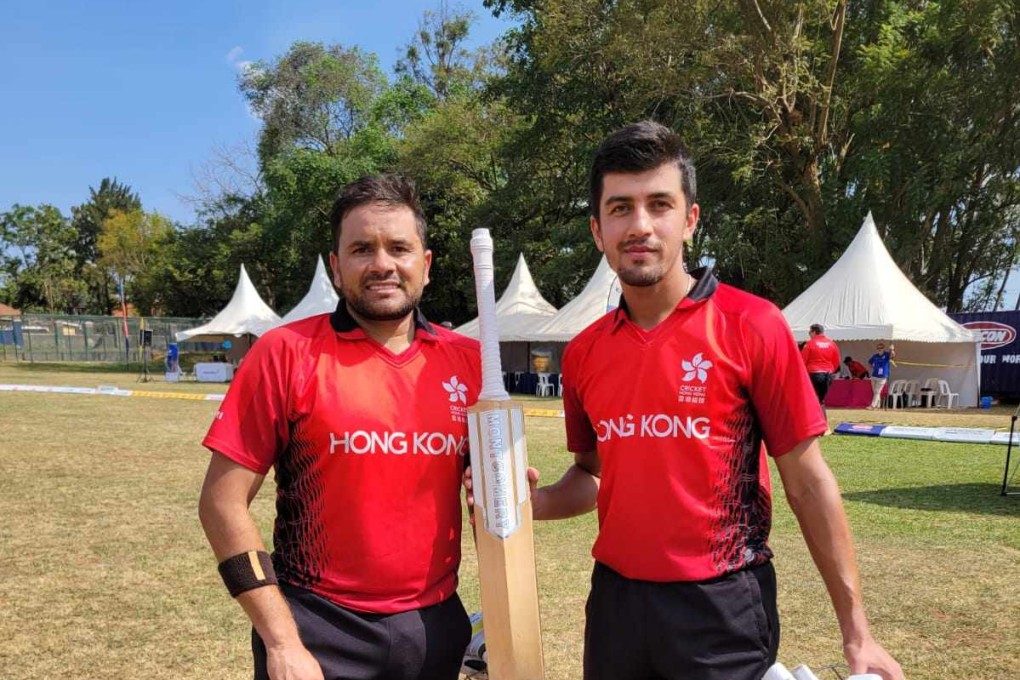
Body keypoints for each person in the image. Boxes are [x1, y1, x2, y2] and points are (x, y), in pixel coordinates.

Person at [495, 121, 903, 680]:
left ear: (689, 219)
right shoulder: (585, 352)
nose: (640, 225)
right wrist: (533, 504)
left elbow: (808, 483)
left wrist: (857, 633)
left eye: (659, 204)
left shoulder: (753, 325)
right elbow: (591, 474)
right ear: (597, 230)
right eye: (620, 208)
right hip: (615, 607)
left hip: (721, 609)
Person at [198, 174, 480, 680]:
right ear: (335, 265)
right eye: (361, 249)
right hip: (316, 628)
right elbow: (221, 503)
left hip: (435, 626)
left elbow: (492, 500)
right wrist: (281, 641)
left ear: (426, 264)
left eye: (399, 248)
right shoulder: (285, 353)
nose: (382, 264)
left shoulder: (470, 362)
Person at [802, 324, 841, 407]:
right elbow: (837, 360)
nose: (809, 334)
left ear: (814, 332)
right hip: (828, 374)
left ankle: (814, 414)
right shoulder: (832, 343)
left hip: (813, 373)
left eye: (810, 332)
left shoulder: (809, 343)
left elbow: (803, 360)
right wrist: (831, 370)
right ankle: (821, 413)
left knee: (812, 398)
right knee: (821, 400)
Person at [868, 342, 896, 409]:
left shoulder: (886, 354)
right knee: (875, 391)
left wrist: (892, 349)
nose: (880, 349)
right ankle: (878, 405)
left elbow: (892, 356)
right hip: (874, 375)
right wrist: (872, 366)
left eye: (881, 348)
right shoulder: (875, 356)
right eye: (878, 348)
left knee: (877, 391)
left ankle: (872, 405)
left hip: (883, 376)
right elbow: (870, 362)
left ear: (883, 348)